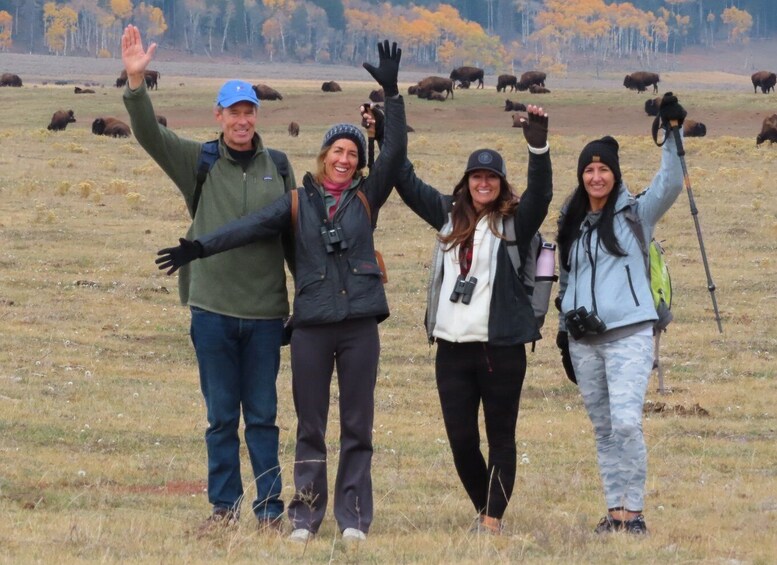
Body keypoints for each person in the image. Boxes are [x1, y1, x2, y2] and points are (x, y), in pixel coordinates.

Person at [155, 40, 406, 543]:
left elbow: (395, 155)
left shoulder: (367, 197)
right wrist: (198, 248)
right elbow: (248, 227)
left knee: (357, 426)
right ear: (323, 156)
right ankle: (305, 516)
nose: (344, 158)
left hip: (358, 323)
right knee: (308, 426)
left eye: (353, 153)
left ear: (359, 164)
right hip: (311, 324)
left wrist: (393, 96)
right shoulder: (297, 200)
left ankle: (354, 516)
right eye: (337, 150)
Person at [120, 24, 297, 534]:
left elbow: (292, 239)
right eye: (233, 113)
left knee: (263, 417)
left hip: (265, 314)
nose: (242, 121)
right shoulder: (197, 161)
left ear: (256, 116)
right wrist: (136, 84)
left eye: (249, 112)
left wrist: (304, 296)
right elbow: (150, 135)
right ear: (218, 116)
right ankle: (224, 510)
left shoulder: (278, 166)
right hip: (213, 310)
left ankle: (269, 513)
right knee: (222, 418)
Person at [390, 105, 552, 535]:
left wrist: (538, 149)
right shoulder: (447, 215)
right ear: (466, 183)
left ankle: (492, 520)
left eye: (491, 177)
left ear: (501, 184)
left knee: (500, 437)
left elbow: (542, 195)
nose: (484, 183)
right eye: (477, 177)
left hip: (500, 349)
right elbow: (403, 179)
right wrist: (389, 115)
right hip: (451, 349)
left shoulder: (515, 222)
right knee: (461, 440)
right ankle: (485, 507)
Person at [555, 93, 687, 535]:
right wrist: (562, 333)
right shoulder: (571, 223)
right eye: (589, 169)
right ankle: (615, 513)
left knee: (628, 423)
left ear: (615, 174)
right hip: (583, 342)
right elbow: (567, 282)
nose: (596, 176)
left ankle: (636, 512)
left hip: (629, 333)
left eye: (603, 168)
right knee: (605, 429)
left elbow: (670, 183)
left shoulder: (637, 214)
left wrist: (671, 131)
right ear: (581, 175)